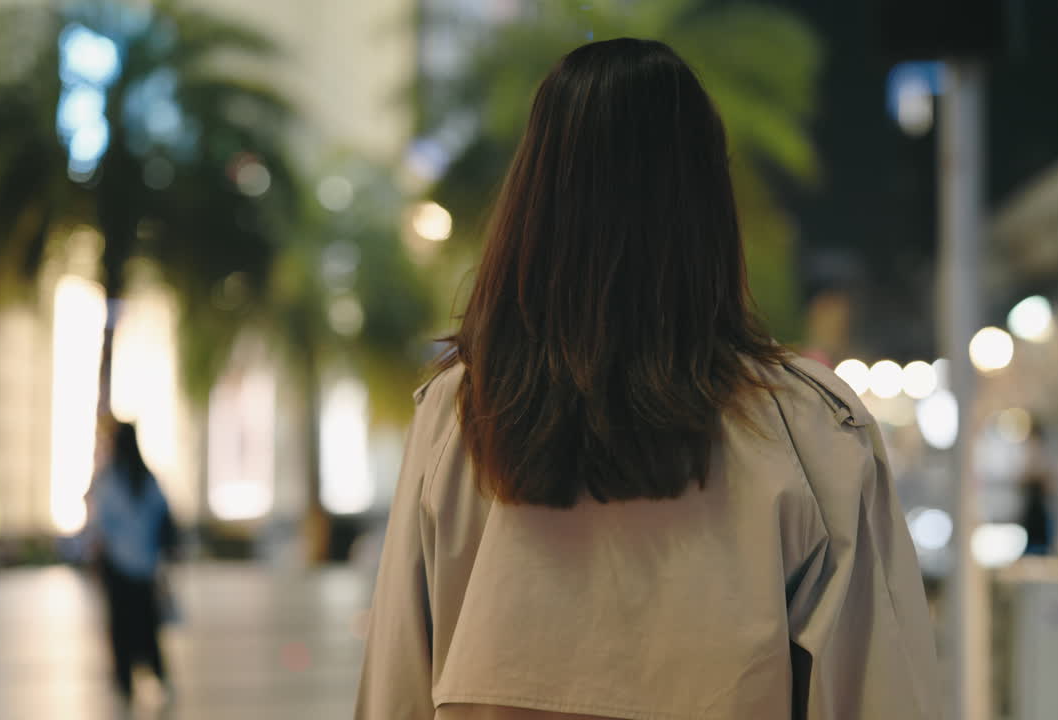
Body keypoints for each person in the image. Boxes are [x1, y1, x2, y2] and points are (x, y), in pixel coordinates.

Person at [356, 39, 939, 720]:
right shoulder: (808, 427)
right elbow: (878, 690)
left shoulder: (458, 414)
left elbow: (398, 679)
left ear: (535, 195)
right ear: (708, 200)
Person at [90, 423, 179, 704]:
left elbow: (101, 526)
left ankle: (125, 683)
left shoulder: (110, 480)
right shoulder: (147, 479)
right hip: (145, 565)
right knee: (147, 626)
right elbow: (162, 517)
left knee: (121, 626)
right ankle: (156, 676)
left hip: (119, 567)